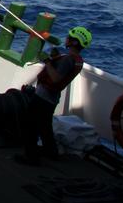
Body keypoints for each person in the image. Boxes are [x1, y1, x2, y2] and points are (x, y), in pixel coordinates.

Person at [15, 25, 90, 165]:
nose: (66, 38)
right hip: (52, 99)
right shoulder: (75, 59)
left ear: (74, 42)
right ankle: (51, 152)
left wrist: (48, 62)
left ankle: (31, 157)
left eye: (69, 37)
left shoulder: (68, 59)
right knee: (45, 127)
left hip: (43, 98)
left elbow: (56, 78)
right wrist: (55, 59)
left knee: (30, 125)